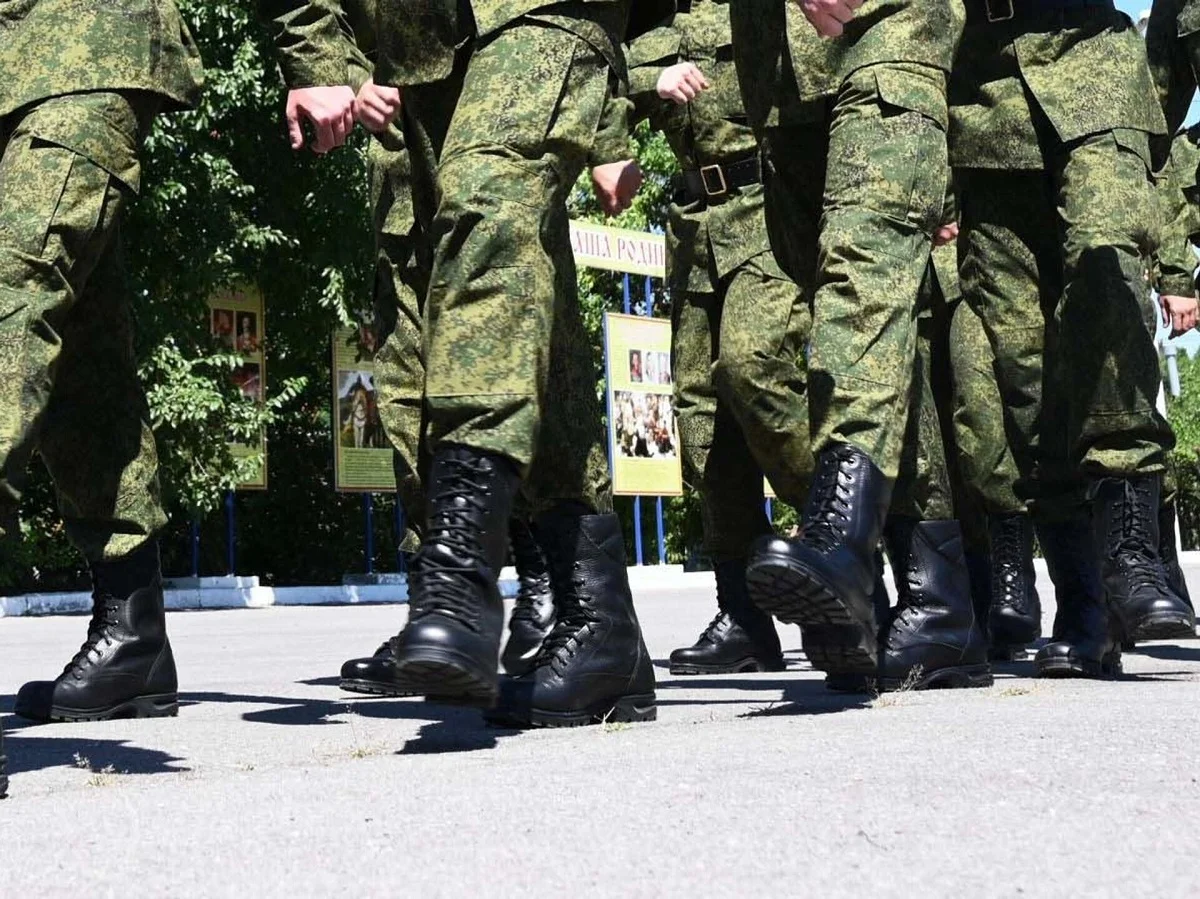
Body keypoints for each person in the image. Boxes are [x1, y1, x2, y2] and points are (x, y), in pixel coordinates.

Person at [265, 0, 657, 727]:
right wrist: (325, 63)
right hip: (428, 48)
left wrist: (613, 131)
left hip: (540, 11)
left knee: (488, 206)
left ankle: (460, 578)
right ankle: (601, 625)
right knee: (525, 291)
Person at [732, 0, 984, 690]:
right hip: (779, 67)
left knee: (862, 264)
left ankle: (840, 540)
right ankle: (938, 601)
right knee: (856, 318)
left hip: (885, 23)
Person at [950, 0, 1194, 678]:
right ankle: (1086, 604)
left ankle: (1134, 557)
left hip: (1093, 73)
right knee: (1021, 367)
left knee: (1104, 270)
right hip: (981, 100)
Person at [0, 0, 204, 749]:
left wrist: (322, 61)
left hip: (85, 44)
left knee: (9, 294)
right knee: (84, 354)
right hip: (17, 66)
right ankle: (134, 635)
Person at [625, 0, 801, 676]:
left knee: (756, 371)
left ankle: (838, 552)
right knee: (703, 423)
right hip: (693, 225)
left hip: (767, 211)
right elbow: (600, 72)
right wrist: (652, 81)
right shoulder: (650, 15)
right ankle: (745, 617)